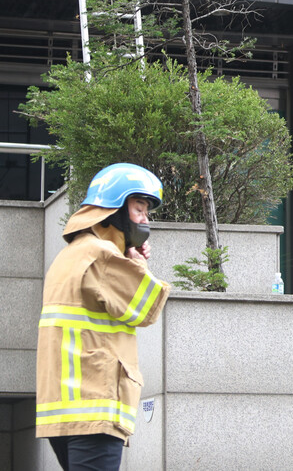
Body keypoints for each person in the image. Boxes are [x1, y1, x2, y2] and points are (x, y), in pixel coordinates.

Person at [35, 163, 170, 471]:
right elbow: (148, 306)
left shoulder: (71, 253)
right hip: (94, 405)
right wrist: (136, 263)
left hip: (63, 409)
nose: (145, 218)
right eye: (139, 208)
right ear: (116, 209)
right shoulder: (100, 255)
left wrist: (125, 255)